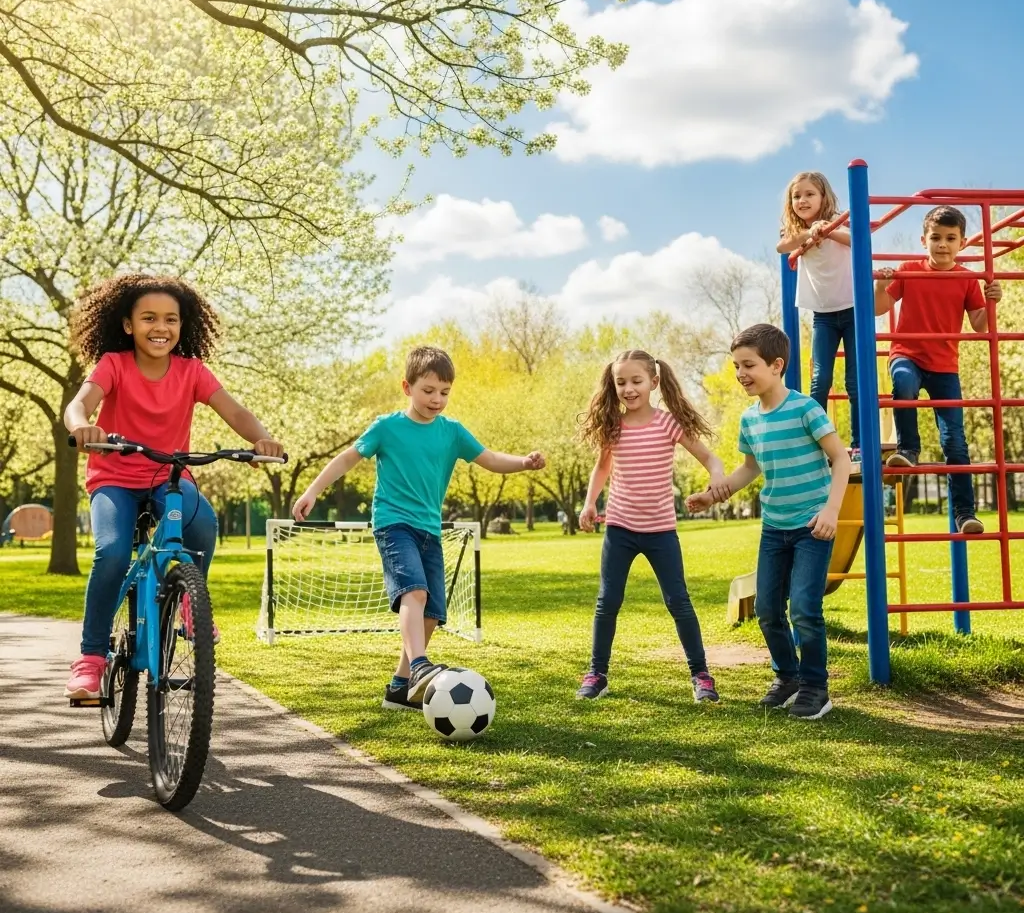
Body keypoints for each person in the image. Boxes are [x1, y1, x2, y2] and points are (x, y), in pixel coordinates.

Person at [63, 274, 284, 700]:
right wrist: (83, 427)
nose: (160, 327)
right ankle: (90, 659)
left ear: (183, 326)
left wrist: (261, 439)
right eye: (148, 318)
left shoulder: (192, 372)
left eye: (171, 319)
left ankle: (189, 599)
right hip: (115, 479)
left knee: (202, 525)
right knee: (111, 552)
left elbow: (234, 412)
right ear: (128, 325)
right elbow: (80, 404)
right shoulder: (114, 364)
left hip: (169, 477)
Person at [292, 345, 544, 711]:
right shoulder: (387, 427)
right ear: (407, 387)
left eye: (444, 392)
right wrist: (313, 491)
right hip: (393, 524)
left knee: (432, 612)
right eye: (428, 391)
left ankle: (400, 686)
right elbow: (348, 457)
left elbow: (489, 459)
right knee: (415, 592)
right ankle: (421, 666)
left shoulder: (452, 432)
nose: (437, 399)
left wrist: (523, 462)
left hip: (430, 529)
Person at [687, 324, 851, 720]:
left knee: (806, 610)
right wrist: (714, 494)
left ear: (776, 365)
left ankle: (815, 687)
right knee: (767, 609)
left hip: (813, 524)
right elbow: (750, 468)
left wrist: (830, 511)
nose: (741, 373)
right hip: (774, 527)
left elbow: (842, 459)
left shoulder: (805, 409)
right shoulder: (749, 419)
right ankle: (787, 677)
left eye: (749, 365)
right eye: (736, 366)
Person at [574, 350, 729, 704]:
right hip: (620, 529)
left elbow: (709, 457)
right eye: (621, 382)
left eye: (636, 381)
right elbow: (602, 468)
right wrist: (589, 503)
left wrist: (716, 474)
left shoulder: (668, 423)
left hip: (661, 531)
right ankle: (597, 673)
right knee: (607, 601)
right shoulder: (613, 426)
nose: (628, 389)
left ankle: (701, 675)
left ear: (654, 382)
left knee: (679, 601)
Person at [875, 205, 1001, 534]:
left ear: (961, 243)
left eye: (950, 238)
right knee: (902, 385)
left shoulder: (967, 279)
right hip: (908, 354)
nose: (942, 244)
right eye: (935, 238)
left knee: (955, 441)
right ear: (923, 240)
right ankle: (908, 449)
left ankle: (965, 514)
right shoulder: (909, 270)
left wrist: (991, 301)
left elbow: (978, 325)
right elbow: (878, 308)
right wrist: (880, 285)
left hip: (945, 365)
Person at [776, 171, 860, 462]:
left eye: (809, 194)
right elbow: (782, 246)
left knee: (854, 381)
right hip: (823, 315)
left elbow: (857, 239)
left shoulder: (839, 220)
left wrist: (827, 230)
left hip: (853, 310)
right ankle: (819, 442)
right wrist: (807, 234)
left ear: (823, 197)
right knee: (819, 379)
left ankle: (859, 443)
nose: (802, 200)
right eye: (796, 196)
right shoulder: (794, 231)